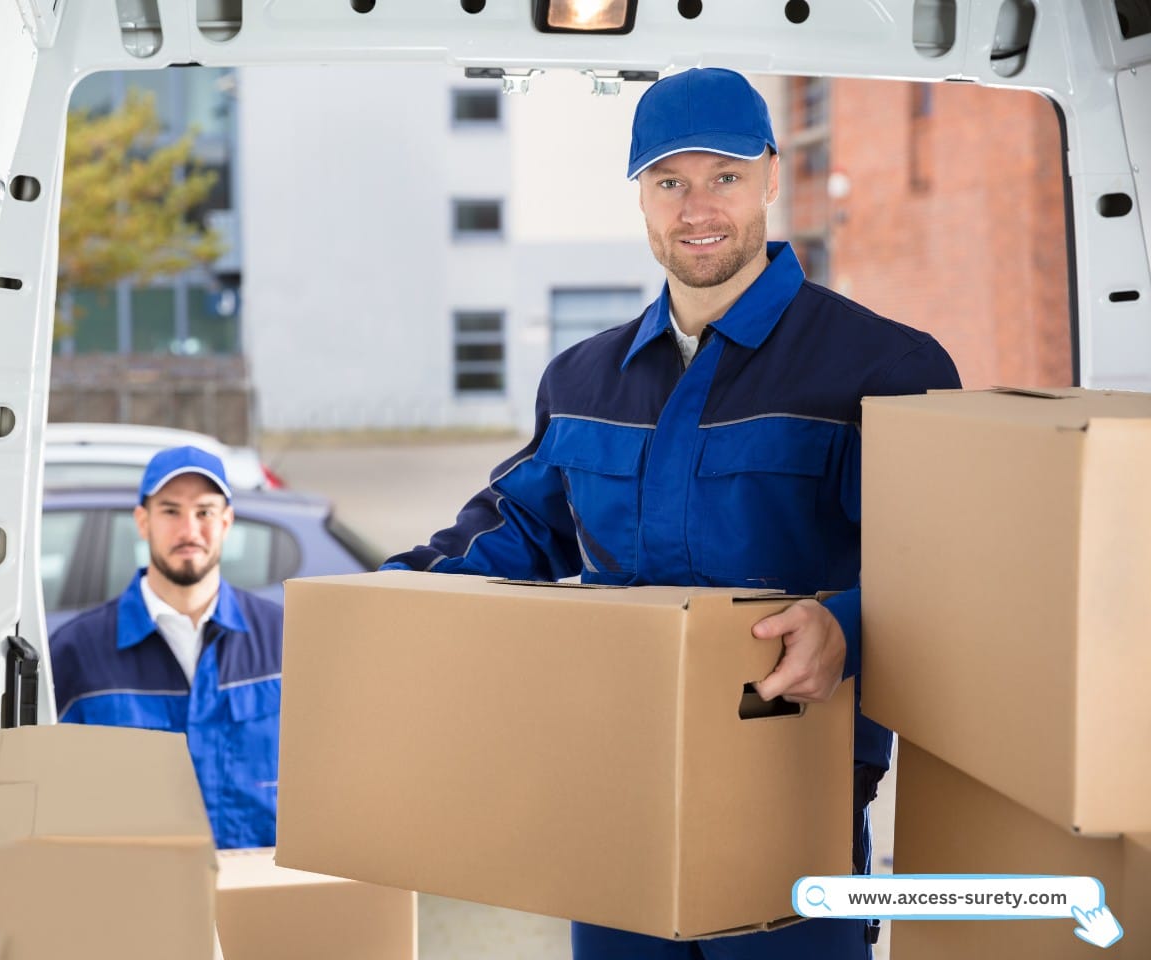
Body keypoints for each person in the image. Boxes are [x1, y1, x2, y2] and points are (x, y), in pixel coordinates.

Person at [383, 67, 960, 959]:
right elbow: (519, 530)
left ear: (772, 175)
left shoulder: (879, 367)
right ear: (640, 198)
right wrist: (386, 602)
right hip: (618, 792)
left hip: (791, 791)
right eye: (669, 182)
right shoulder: (581, 381)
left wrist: (845, 629)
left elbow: (945, 571)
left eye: (724, 177)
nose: (697, 209)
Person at [51, 445, 284, 850]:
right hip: (139, 900)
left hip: (260, 896)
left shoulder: (285, 638)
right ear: (143, 522)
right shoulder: (76, 651)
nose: (189, 531)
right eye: (171, 511)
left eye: (205, 512)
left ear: (227, 521)